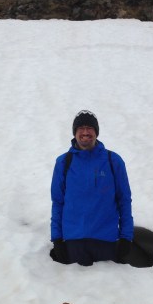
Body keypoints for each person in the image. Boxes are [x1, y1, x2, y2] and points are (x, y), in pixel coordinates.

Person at [50, 110, 134, 266]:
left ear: (96, 132)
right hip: (74, 241)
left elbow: (124, 200)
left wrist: (126, 237)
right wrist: (56, 238)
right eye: (81, 128)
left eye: (89, 128)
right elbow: (57, 202)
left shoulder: (113, 161)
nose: (85, 132)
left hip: (106, 241)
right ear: (75, 133)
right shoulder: (63, 162)